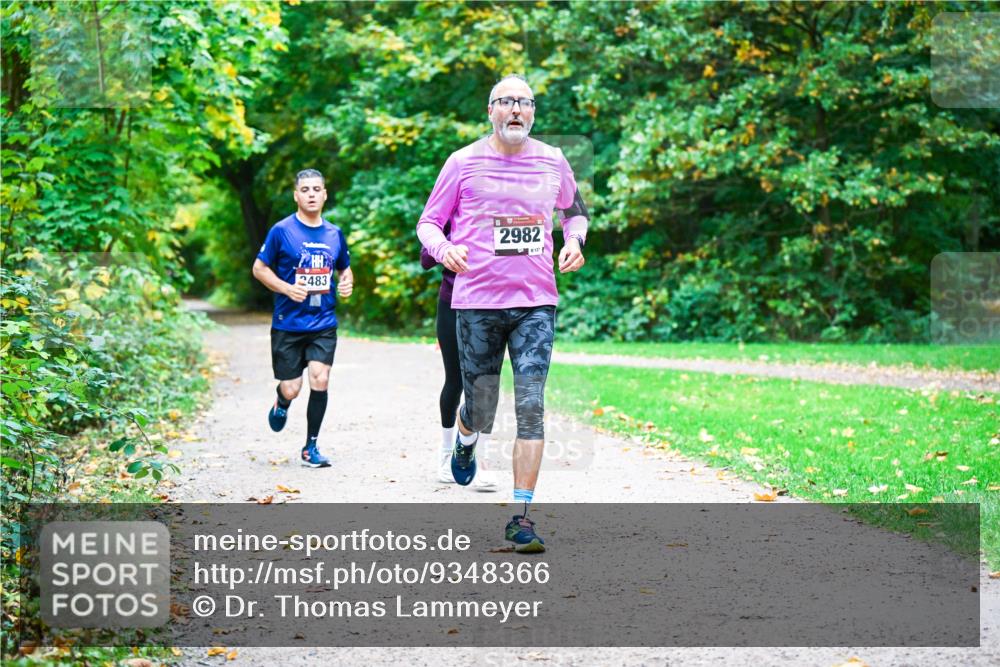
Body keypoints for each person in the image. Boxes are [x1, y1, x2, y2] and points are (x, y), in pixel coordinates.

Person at [417, 74, 590, 552]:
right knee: (482, 405)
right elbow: (428, 222)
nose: (515, 109)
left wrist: (574, 239)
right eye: (505, 101)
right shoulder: (463, 162)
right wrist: (445, 248)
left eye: (524, 102)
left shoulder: (554, 161)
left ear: (533, 112)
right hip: (476, 302)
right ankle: (466, 437)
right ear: (489, 110)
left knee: (531, 404)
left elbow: (574, 213)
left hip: (536, 302)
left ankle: (521, 516)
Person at [252, 168, 353, 468]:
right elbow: (259, 269)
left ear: (324, 194)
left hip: (323, 322)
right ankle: (282, 401)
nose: (311, 194)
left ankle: (311, 447)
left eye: (316, 189)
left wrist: (347, 281)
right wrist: (286, 288)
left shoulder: (334, 233)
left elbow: (344, 268)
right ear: (296, 195)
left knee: (320, 379)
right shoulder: (281, 231)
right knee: (292, 387)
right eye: (305, 189)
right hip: (288, 323)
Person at [420, 225, 497, 491]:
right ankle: (445, 452)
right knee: (455, 380)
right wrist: (450, 246)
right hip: (452, 302)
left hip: (493, 303)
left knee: (487, 383)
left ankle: (483, 459)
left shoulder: (503, 205)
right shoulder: (448, 212)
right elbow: (425, 259)